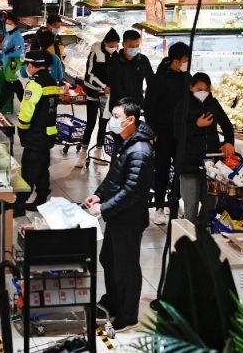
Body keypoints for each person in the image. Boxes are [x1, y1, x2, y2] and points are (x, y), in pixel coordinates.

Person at [83, 98, 155, 331]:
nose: (112, 121)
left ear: (130, 119)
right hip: (117, 216)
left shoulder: (140, 151)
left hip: (129, 219)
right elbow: (114, 177)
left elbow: (131, 191)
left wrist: (103, 208)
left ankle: (127, 316)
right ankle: (112, 302)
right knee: (109, 260)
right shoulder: (125, 141)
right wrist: (99, 195)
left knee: (126, 267)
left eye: (116, 117)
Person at [173, 73, 234, 225]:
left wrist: (229, 142)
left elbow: (226, 124)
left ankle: (203, 233)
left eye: (206, 89)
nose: (203, 92)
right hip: (188, 163)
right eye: (199, 89)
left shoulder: (213, 103)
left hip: (211, 163)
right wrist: (196, 125)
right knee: (191, 205)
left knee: (210, 204)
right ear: (191, 88)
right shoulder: (183, 104)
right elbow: (177, 133)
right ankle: (190, 239)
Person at [143, 41, 192, 225]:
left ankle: (174, 201)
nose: (188, 63)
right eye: (186, 59)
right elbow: (149, 108)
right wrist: (153, 131)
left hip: (182, 133)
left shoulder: (188, 78)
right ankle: (159, 207)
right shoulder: (159, 79)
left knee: (180, 169)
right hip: (163, 133)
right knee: (162, 169)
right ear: (176, 60)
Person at [15, 51, 60, 216]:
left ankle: (19, 206)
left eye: (28, 65)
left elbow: (27, 111)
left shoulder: (35, 83)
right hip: (49, 132)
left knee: (28, 169)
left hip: (35, 134)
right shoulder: (52, 81)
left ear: (31, 65)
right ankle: (41, 198)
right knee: (42, 166)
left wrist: (21, 129)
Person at [78, 28, 121, 166]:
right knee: (90, 123)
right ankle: (83, 153)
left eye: (115, 45)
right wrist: (103, 86)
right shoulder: (95, 50)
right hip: (93, 91)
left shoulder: (117, 54)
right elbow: (89, 73)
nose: (113, 48)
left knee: (103, 123)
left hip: (108, 95)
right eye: (111, 45)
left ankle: (98, 152)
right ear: (105, 43)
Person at [108, 29, 154, 108]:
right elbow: (116, 86)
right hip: (119, 106)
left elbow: (151, 81)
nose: (134, 48)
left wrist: (151, 99)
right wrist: (129, 104)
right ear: (123, 44)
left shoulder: (143, 60)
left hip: (138, 104)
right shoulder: (114, 61)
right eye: (131, 46)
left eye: (137, 45)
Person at [0, 14, 25, 111]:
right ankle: (28, 107)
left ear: (15, 25)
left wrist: (8, 52)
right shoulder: (8, 35)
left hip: (13, 65)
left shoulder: (18, 37)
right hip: (7, 65)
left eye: (10, 23)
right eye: (7, 23)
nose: (7, 25)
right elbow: (2, 50)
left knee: (8, 87)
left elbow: (19, 51)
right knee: (17, 88)